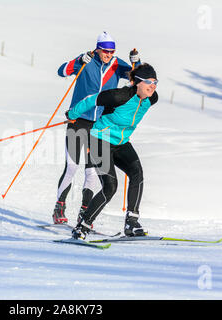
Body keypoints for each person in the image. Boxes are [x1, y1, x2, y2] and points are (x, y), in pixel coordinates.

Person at [52, 31, 141, 224]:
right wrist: (78, 62)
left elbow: (137, 78)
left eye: (112, 51)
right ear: (98, 49)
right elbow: (61, 71)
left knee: (92, 171)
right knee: (72, 166)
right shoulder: (87, 60)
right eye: (105, 51)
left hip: (100, 124)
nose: (109, 54)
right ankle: (59, 207)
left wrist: (137, 62)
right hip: (78, 120)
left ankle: (85, 213)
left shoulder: (116, 64)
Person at [66, 63, 158, 239]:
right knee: (110, 187)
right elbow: (92, 100)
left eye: (155, 82)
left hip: (121, 142)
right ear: (137, 83)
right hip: (100, 140)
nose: (152, 86)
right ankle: (82, 226)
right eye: (148, 81)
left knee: (136, 173)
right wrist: (72, 114)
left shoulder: (151, 98)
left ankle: (132, 222)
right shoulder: (120, 96)